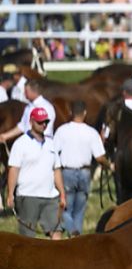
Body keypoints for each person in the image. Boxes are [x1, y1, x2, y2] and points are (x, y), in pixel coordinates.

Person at [5, 107, 65, 239]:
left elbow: (56, 170)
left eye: (46, 122)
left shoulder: (51, 143)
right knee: (28, 236)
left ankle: (56, 259)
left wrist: (62, 194)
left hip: (50, 196)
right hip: (27, 195)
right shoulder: (20, 144)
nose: (44, 125)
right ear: (31, 121)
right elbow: (13, 169)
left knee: (56, 231)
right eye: (40, 122)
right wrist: (10, 194)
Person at [54, 100, 111, 236]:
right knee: (80, 209)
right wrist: (109, 165)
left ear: (70, 113)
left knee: (66, 209)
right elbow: (99, 157)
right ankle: (76, 234)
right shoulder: (91, 132)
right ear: (85, 113)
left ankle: (72, 230)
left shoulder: (62, 130)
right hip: (85, 173)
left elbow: (54, 152)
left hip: (67, 172)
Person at [0, 79, 56, 143]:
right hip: (29, 143)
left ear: (33, 91)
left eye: (26, 91)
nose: (24, 93)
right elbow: (22, 126)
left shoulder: (46, 107)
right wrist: (5, 136)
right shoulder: (29, 107)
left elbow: (45, 131)